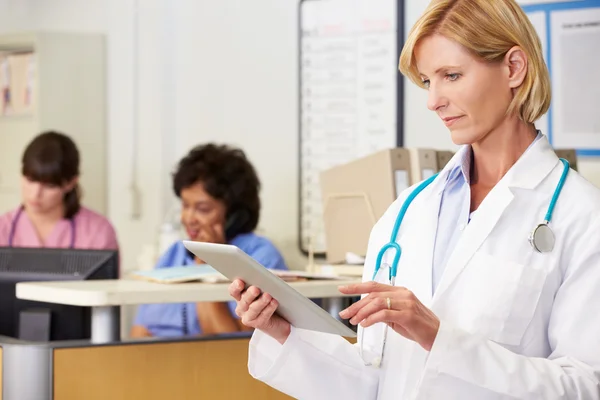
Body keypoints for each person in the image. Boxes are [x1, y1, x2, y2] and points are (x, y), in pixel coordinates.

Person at [228, 0, 600, 398]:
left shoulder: (580, 216)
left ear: (513, 68)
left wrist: (439, 338)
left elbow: (585, 385)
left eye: (451, 75)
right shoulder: (407, 213)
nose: (433, 100)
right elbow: (375, 381)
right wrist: (282, 331)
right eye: (427, 81)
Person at [131, 143, 288, 338]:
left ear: (234, 215)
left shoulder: (262, 256)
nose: (188, 218)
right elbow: (139, 333)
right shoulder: (173, 254)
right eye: (185, 205)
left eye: (203, 209)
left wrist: (207, 262)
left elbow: (230, 348)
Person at [0, 131, 119, 250]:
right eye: (30, 180)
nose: (35, 194)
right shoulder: (3, 229)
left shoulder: (98, 231)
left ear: (70, 183)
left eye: (49, 186)